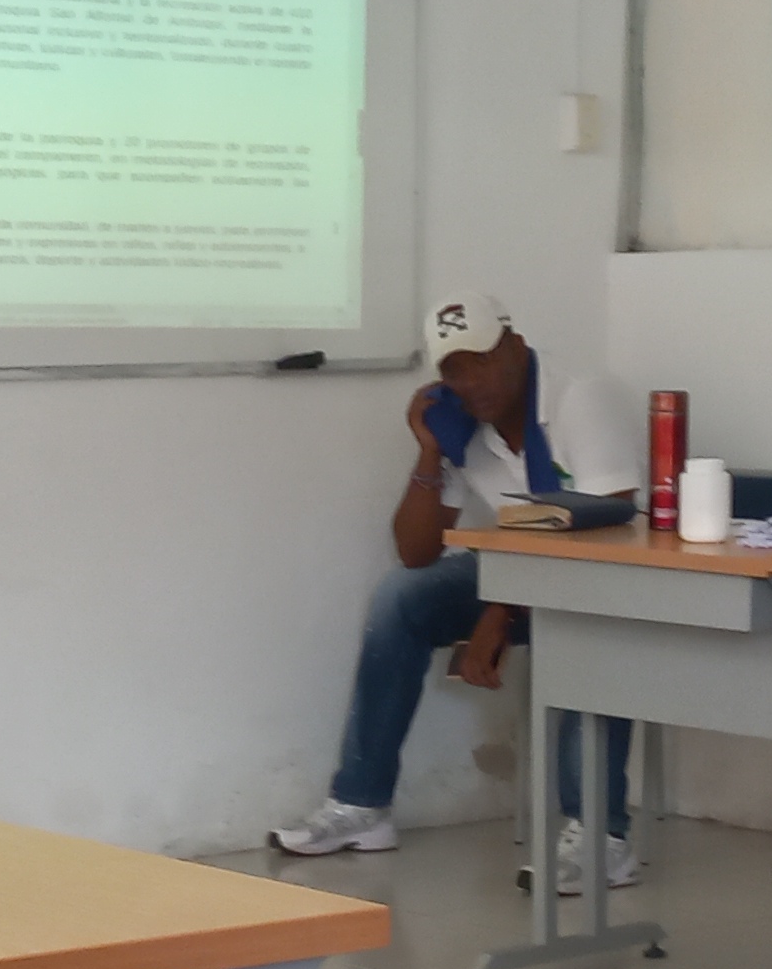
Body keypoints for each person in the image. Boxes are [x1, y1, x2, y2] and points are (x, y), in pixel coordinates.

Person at [270, 292, 645, 890]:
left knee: (582, 626)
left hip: (611, 578)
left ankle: (604, 837)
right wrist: (429, 451)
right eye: (454, 369)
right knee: (401, 598)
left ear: (515, 347)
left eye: (483, 360)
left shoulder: (581, 398)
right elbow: (416, 551)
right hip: (523, 566)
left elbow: (608, 528)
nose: (472, 382)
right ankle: (362, 806)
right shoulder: (460, 421)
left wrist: (498, 614)